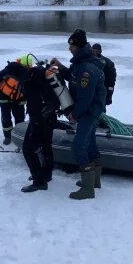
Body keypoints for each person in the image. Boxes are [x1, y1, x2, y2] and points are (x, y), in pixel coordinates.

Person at [51, 29, 106, 200]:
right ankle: (94, 182)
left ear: (79, 46)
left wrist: (74, 114)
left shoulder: (87, 69)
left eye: (72, 45)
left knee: (79, 146)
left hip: (89, 111)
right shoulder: (81, 62)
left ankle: (88, 190)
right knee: (90, 144)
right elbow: (73, 77)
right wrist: (61, 68)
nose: (69, 48)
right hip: (91, 110)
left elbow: (85, 98)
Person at [16, 55, 61, 193]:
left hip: (40, 119)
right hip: (48, 117)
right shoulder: (39, 75)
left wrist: (38, 117)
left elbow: (36, 98)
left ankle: (39, 181)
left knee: (28, 148)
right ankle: (46, 175)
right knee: (46, 145)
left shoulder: (33, 80)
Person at [0, 56, 28, 144]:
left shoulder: (28, 75)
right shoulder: (9, 70)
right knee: (6, 118)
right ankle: (8, 136)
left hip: (19, 100)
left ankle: (19, 135)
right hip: (4, 99)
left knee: (20, 119)